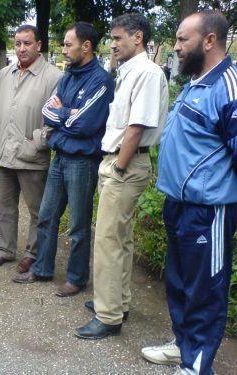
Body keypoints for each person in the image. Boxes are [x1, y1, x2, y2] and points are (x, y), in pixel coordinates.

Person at [142, 11, 236, 375]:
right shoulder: (197, 83)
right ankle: (184, 347)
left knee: (205, 292)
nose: (176, 47)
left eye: (183, 40)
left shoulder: (229, 85)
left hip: (209, 210)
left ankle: (197, 366)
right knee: (180, 284)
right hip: (179, 205)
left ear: (209, 40)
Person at [74, 13, 169, 339]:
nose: (112, 44)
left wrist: (118, 167)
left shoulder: (146, 72)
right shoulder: (131, 71)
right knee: (120, 239)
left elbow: (136, 128)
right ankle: (117, 301)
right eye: (112, 39)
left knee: (108, 241)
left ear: (138, 37)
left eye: (117, 38)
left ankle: (109, 315)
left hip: (125, 164)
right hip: (122, 164)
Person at [12, 22, 115, 297]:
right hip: (60, 157)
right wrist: (69, 114)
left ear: (86, 46)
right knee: (46, 216)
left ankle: (77, 277)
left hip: (83, 161)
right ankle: (43, 269)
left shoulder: (101, 81)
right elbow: (48, 111)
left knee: (79, 225)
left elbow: (85, 124)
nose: (64, 50)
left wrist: (65, 115)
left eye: (69, 45)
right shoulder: (68, 76)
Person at [0, 25, 61, 273]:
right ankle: (5, 250)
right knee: (5, 207)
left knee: (37, 210)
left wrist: (37, 142)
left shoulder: (54, 77)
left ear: (39, 45)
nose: (21, 48)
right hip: (4, 153)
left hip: (31, 156)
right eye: (17, 43)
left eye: (27, 43)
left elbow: (55, 118)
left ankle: (32, 253)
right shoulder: (4, 74)